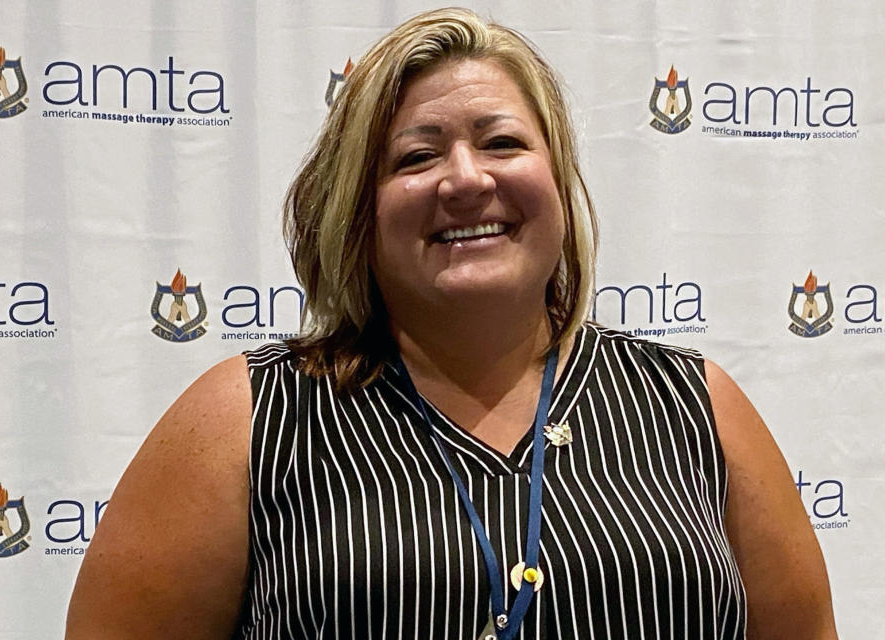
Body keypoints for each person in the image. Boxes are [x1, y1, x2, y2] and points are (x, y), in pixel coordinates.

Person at [66, 8, 838, 639]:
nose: (467, 179)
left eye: (502, 142)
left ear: (559, 186)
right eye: (415, 157)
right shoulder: (247, 419)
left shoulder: (694, 402)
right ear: (357, 210)